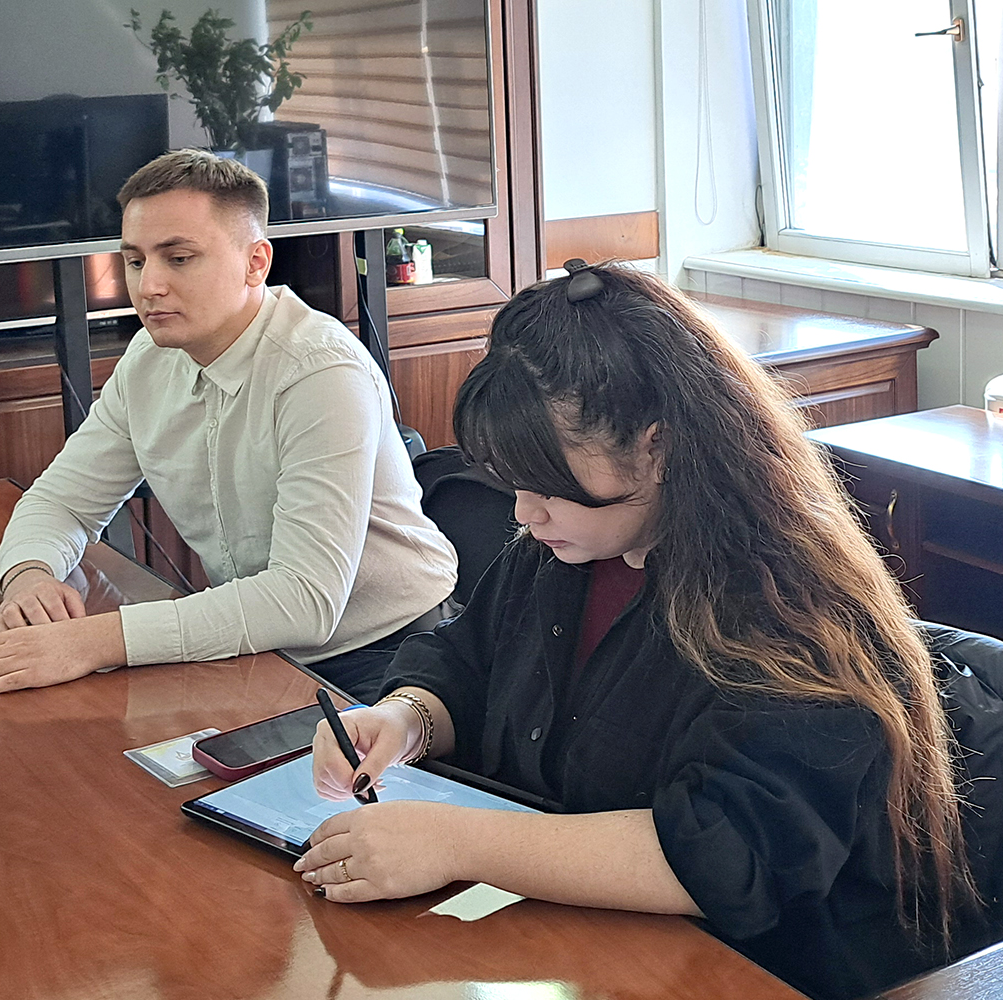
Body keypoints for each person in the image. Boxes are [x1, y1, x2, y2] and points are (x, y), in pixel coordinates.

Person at [294, 263, 1003, 1000]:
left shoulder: (785, 603)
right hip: (578, 940)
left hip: (760, 968)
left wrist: (453, 843)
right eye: (515, 483)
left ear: (656, 449)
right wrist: (407, 718)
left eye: (550, 485)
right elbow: (465, 663)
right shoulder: (568, 548)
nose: (525, 513)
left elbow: (726, 852)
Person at [0, 150, 456, 704]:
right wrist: (29, 575)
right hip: (259, 647)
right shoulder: (148, 360)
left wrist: (93, 641)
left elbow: (305, 599)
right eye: (134, 261)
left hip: (389, 655)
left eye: (179, 258)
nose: (148, 286)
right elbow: (61, 502)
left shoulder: (318, 371)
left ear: (255, 262)